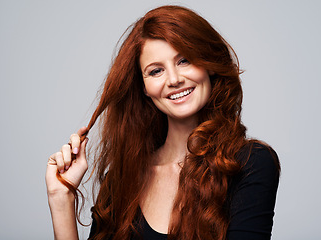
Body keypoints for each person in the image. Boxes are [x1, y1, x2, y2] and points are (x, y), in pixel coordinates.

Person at [46, 5, 280, 240]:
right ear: (144, 88)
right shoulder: (120, 180)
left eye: (185, 60)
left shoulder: (250, 163)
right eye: (156, 71)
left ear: (209, 65)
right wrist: (61, 197)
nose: (175, 79)